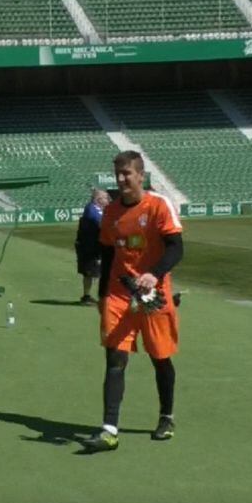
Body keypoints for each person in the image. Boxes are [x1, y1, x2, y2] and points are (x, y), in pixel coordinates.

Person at [80, 151, 184, 453]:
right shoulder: (111, 212)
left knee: (160, 357)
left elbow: (177, 249)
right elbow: (110, 255)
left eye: (127, 173)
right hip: (118, 294)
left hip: (153, 295)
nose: (122, 179)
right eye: (118, 173)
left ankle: (166, 416)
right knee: (115, 359)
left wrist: (154, 274)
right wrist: (101, 295)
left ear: (141, 175)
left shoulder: (158, 205)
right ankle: (109, 430)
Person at [75, 189, 110, 305]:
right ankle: (89, 296)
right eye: (105, 198)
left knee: (93, 273)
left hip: (92, 246)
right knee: (90, 272)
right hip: (89, 248)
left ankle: (89, 296)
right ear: (98, 199)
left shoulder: (96, 209)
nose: (107, 200)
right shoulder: (92, 209)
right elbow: (101, 224)